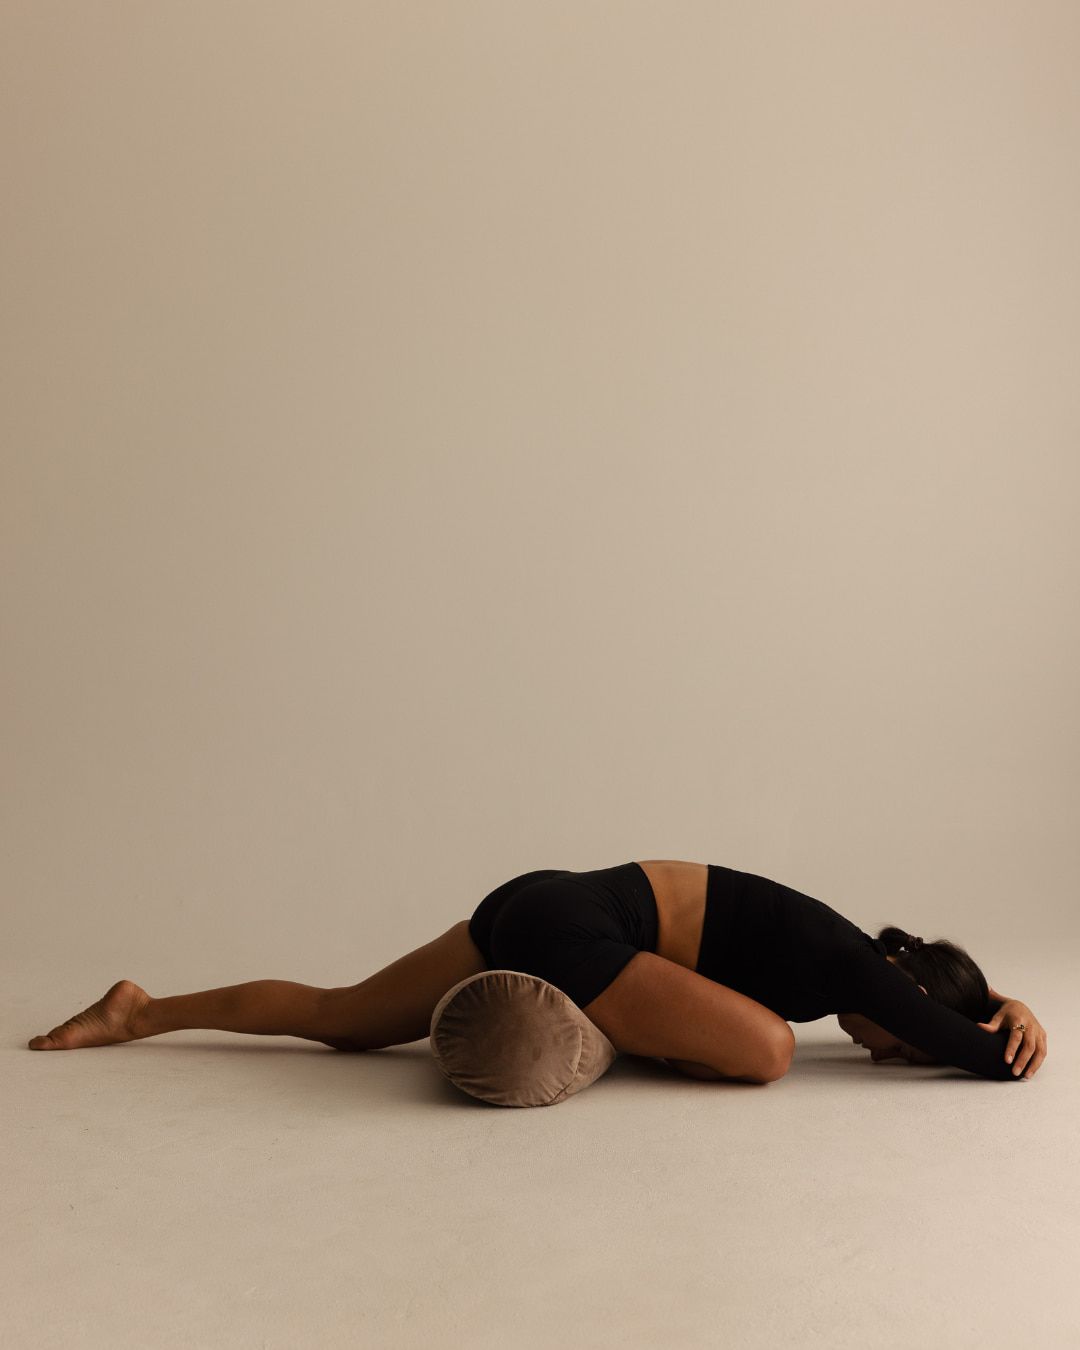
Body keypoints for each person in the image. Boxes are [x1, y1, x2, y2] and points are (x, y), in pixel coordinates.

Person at [27, 858, 1047, 1084]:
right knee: (769, 1051)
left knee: (344, 1018)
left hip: (544, 900)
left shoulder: (851, 959)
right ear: (912, 992)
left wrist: (1002, 994)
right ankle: (596, 1033)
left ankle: (143, 1011)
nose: (885, 1052)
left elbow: (943, 1015)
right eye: (901, 1043)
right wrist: (1006, 1022)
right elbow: (977, 1054)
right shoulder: (856, 964)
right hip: (577, 929)